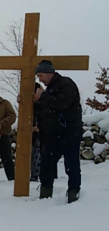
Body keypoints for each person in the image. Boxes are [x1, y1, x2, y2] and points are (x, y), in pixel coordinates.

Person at [33, 60, 83, 203]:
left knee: (71, 164)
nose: (40, 80)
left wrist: (42, 97)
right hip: (54, 134)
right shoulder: (49, 90)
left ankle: (74, 193)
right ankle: (45, 193)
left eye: (41, 76)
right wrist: (31, 102)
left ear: (50, 73)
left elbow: (61, 104)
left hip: (70, 132)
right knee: (47, 163)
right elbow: (46, 110)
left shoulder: (66, 84)